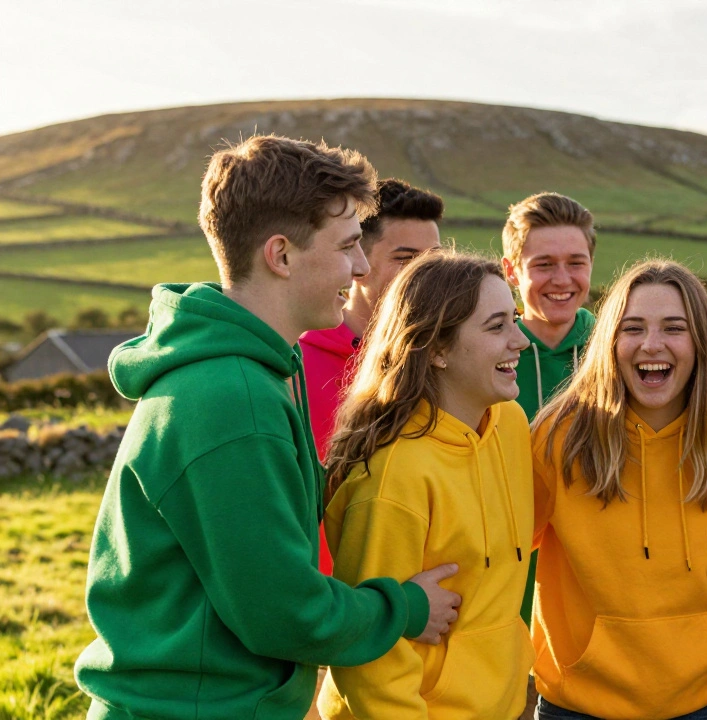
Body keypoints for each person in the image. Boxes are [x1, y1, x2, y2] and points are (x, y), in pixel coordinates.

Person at [75, 135, 454, 720]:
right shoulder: (232, 398)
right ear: (281, 255)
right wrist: (403, 609)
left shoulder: (253, 370)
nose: (360, 268)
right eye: (349, 245)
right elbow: (284, 613)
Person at [529, 260, 707, 719]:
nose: (652, 344)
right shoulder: (559, 438)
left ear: (701, 342)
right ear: (611, 341)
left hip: (702, 702)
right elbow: (500, 543)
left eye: (674, 328)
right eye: (633, 327)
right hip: (578, 703)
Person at [318, 251, 534, 719]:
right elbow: (371, 657)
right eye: (497, 326)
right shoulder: (395, 475)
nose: (520, 340)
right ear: (436, 349)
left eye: (515, 320)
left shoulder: (509, 423)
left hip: (500, 707)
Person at [300, 177, 443, 574]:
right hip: (330, 605)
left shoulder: (444, 363)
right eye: (406, 258)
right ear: (357, 260)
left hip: (421, 602)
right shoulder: (298, 362)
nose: (426, 275)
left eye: (434, 259)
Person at [500, 192, 599, 720]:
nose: (561, 279)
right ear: (511, 271)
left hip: (587, 622)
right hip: (496, 612)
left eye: (575, 263)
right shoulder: (481, 350)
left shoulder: (618, 350)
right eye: (543, 264)